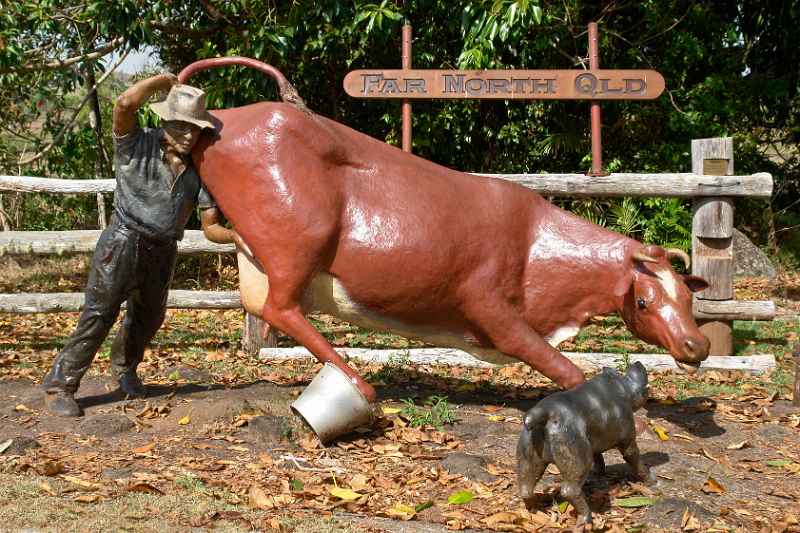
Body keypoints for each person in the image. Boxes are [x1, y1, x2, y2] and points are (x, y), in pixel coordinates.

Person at [42, 73, 236, 416]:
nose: (190, 135)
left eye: (196, 129)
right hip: (122, 241)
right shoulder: (137, 143)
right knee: (99, 315)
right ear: (166, 122)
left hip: (163, 250)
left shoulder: (198, 171)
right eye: (182, 126)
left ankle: (125, 369)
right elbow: (124, 103)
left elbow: (211, 227)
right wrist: (162, 80)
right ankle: (61, 383)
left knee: (148, 317)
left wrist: (239, 237)